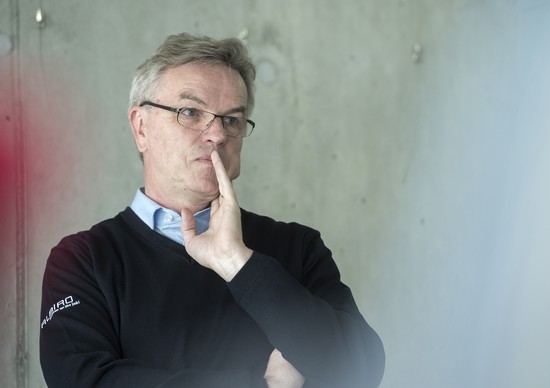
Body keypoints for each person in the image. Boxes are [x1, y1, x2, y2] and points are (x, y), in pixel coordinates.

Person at [39, 33, 385, 388]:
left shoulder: (297, 247)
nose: (218, 135)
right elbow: (82, 381)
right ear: (141, 128)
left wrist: (240, 264)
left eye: (232, 120)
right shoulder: (83, 260)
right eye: (190, 112)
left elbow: (362, 367)